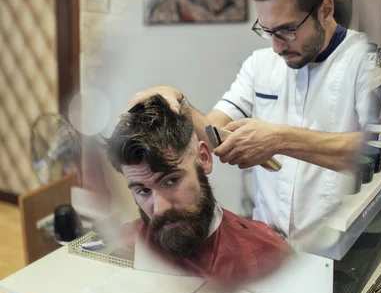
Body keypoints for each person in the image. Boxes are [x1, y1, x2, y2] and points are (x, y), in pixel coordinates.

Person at [128, 0, 371, 247]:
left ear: (325, 10)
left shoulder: (366, 63)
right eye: (267, 31)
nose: (276, 47)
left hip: (338, 245)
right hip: (269, 242)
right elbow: (215, 132)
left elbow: (375, 151)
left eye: (286, 30)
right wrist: (180, 103)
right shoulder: (260, 64)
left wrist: (281, 139)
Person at [106, 95, 289, 281]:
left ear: (204, 158)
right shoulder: (129, 243)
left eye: (171, 181)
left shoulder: (266, 256)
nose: (160, 209)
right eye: (143, 191)